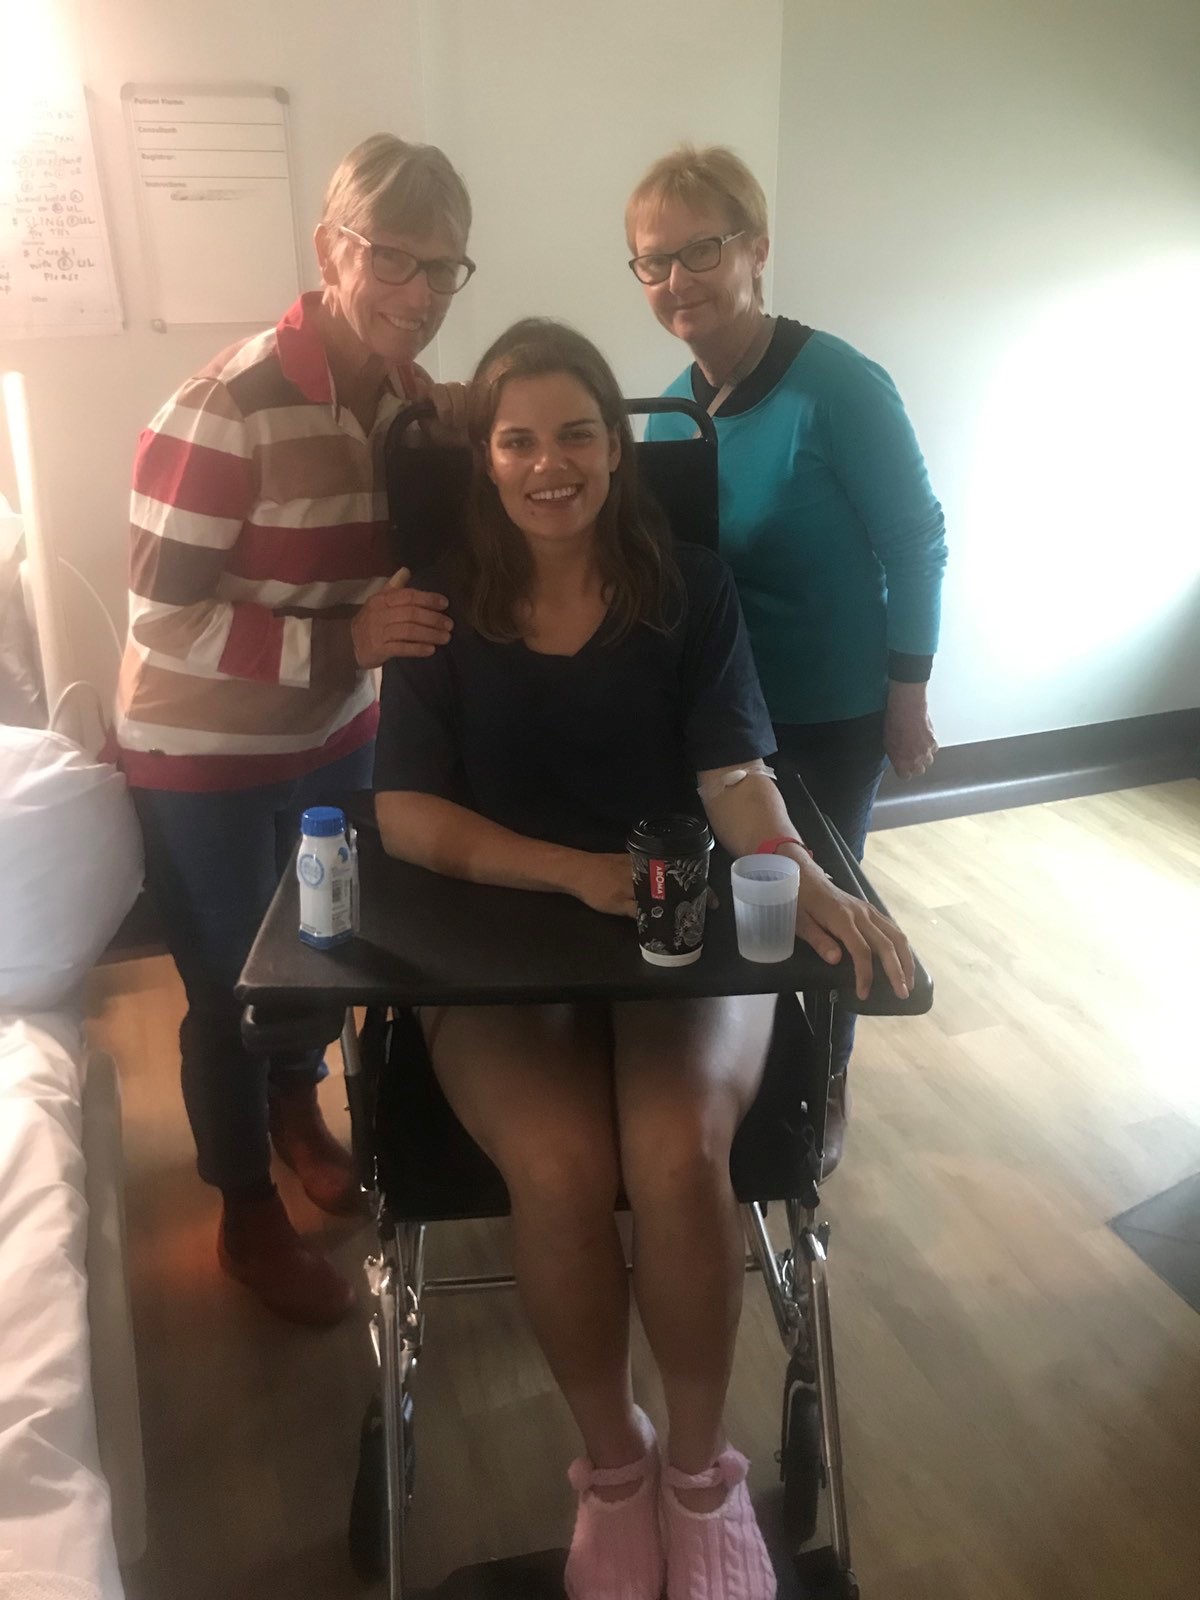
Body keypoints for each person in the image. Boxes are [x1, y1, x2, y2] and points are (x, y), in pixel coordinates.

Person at [373, 319, 913, 1600]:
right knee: (560, 1165)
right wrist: (577, 875)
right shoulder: (439, 601)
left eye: (576, 434)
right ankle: (613, 1472)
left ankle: (697, 1474)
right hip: (509, 937)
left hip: (677, 930)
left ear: (618, 449)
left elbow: (733, 771)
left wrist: (806, 871)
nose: (548, 464)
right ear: (485, 458)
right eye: (518, 440)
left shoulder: (687, 584)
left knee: (677, 1153)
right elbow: (407, 816)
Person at [112, 134, 474, 1327]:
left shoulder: (407, 402)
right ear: (332, 249)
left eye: (446, 271)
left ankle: (296, 1109)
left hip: (334, 731)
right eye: (395, 260)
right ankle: (243, 1211)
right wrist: (342, 650)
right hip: (201, 752)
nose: (420, 295)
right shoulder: (227, 403)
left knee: (323, 947)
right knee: (229, 987)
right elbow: (162, 617)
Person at [625, 145, 948, 1172]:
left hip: (826, 710)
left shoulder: (837, 384)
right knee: (744, 903)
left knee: (823, 910)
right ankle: (740, 1076)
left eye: (700, 251)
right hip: (724, 716)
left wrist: (909, 693)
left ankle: (822, 1082)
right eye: (652, 261)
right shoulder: (678, 401)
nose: (677, 280)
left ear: (756, 250)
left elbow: (918, 542)